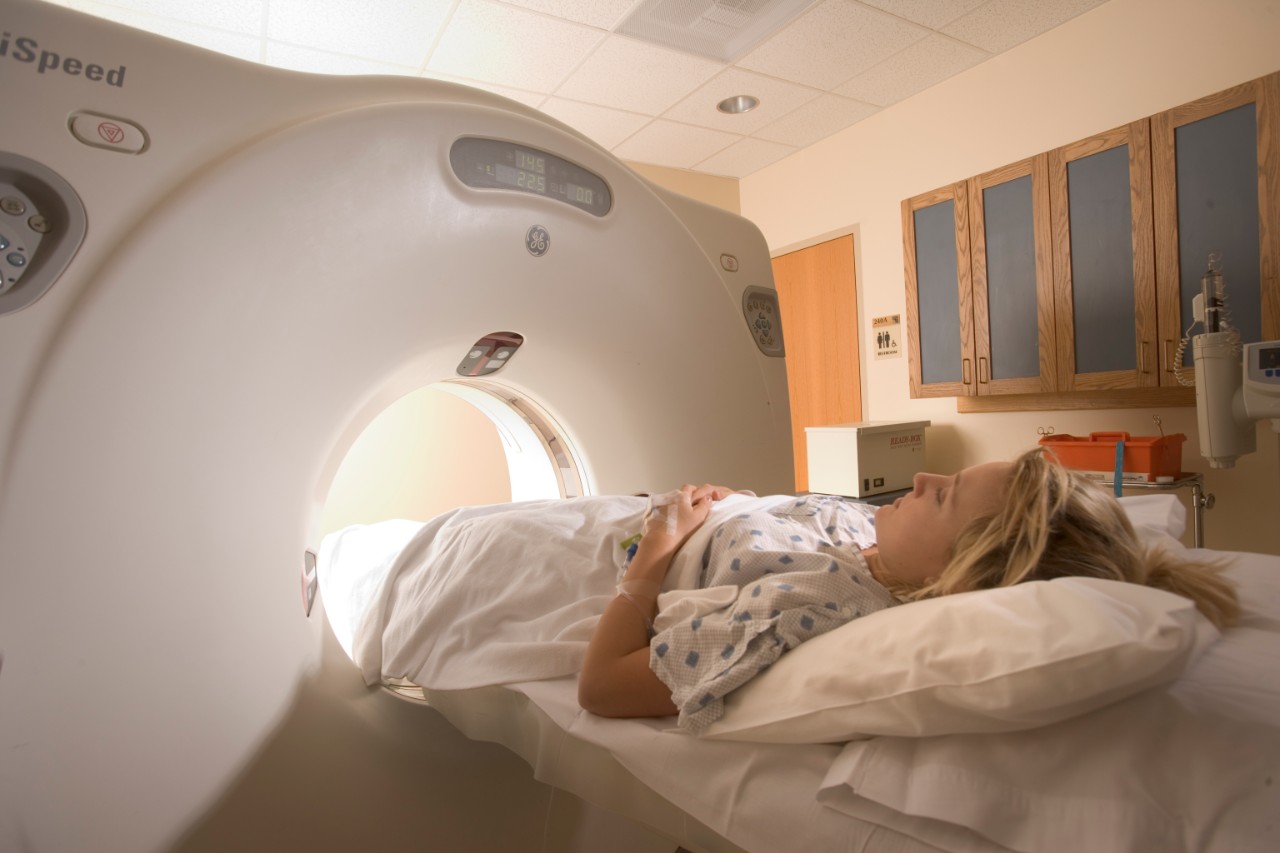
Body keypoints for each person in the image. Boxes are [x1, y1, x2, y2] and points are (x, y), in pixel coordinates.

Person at [578, 446, 1239, 729]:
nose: (920, 478)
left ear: (956, 574)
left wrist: (659, 543)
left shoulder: (807, 604)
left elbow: (603, 686)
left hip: (622, 538)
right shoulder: (880, 540)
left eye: (944, 496)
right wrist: (742, 502)